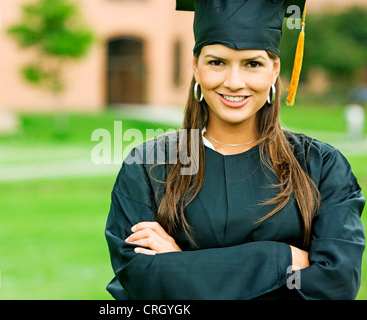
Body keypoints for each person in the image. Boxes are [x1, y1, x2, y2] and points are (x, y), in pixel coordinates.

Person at [105, 0, 365, 300]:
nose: (234, 82)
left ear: (274, 70)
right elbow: (140, 280)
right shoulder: (148, 166)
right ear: (196, 67)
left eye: (252, 64)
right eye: (217, 62)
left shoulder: (322, 167)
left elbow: (337, 283)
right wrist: (282, 259)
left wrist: (179, 265)